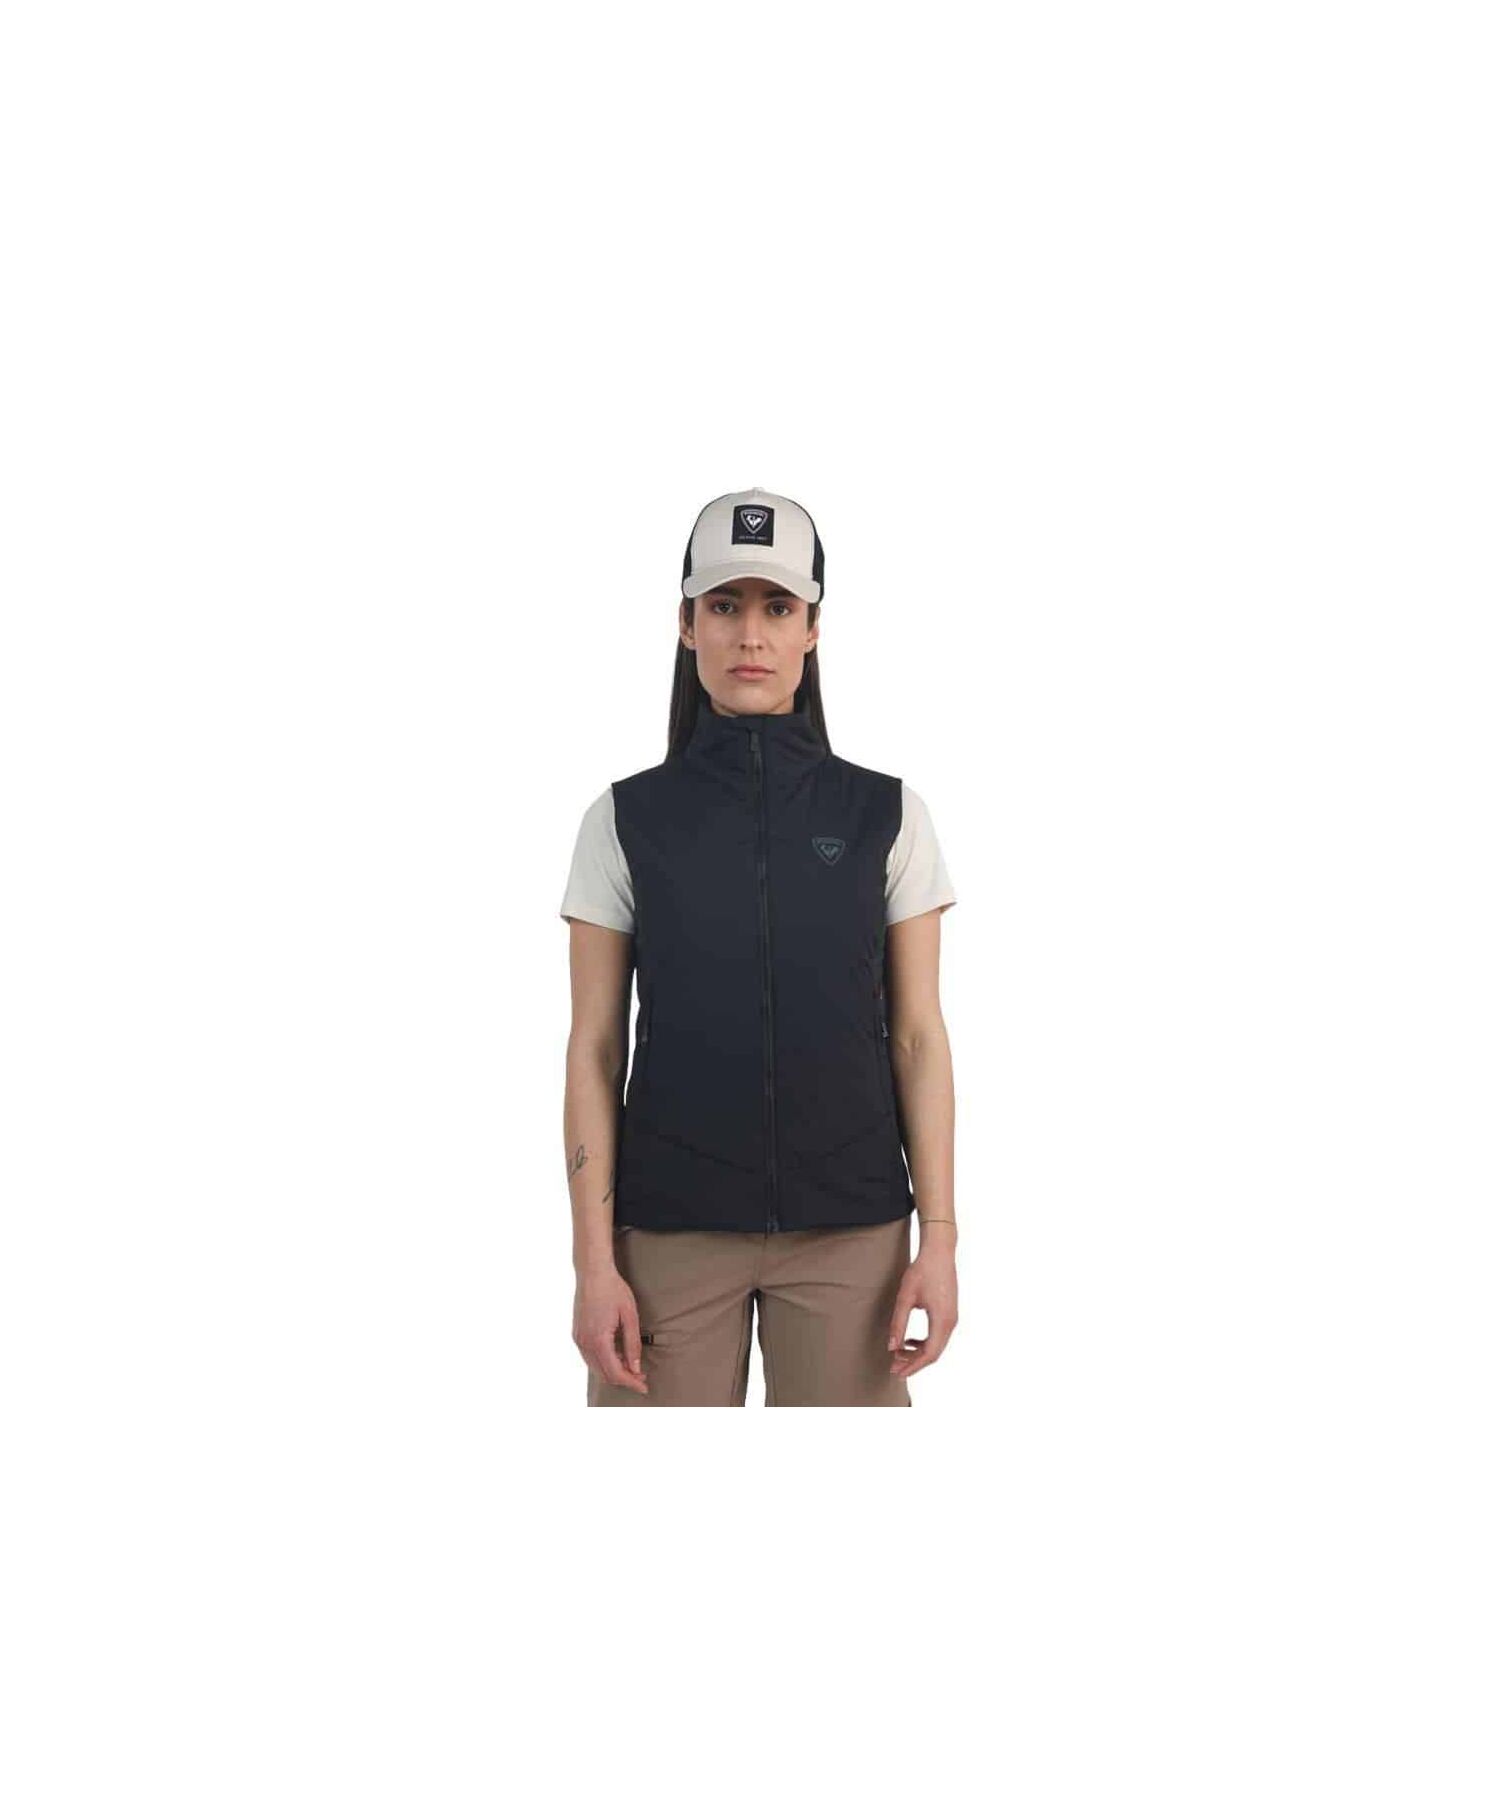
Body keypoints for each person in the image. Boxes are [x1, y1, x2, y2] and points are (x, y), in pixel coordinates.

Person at [559, 488, 959, 1406]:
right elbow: (594, 1048)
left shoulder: (886, 815)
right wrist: (592, 1264)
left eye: (778, 608)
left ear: (813, 630)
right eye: (725, 606)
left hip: (851, 1236)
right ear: (686, 624)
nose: (750, 636)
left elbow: (918, 1036)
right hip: (667, 1237)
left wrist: (939, 1236)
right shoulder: (623, 821)